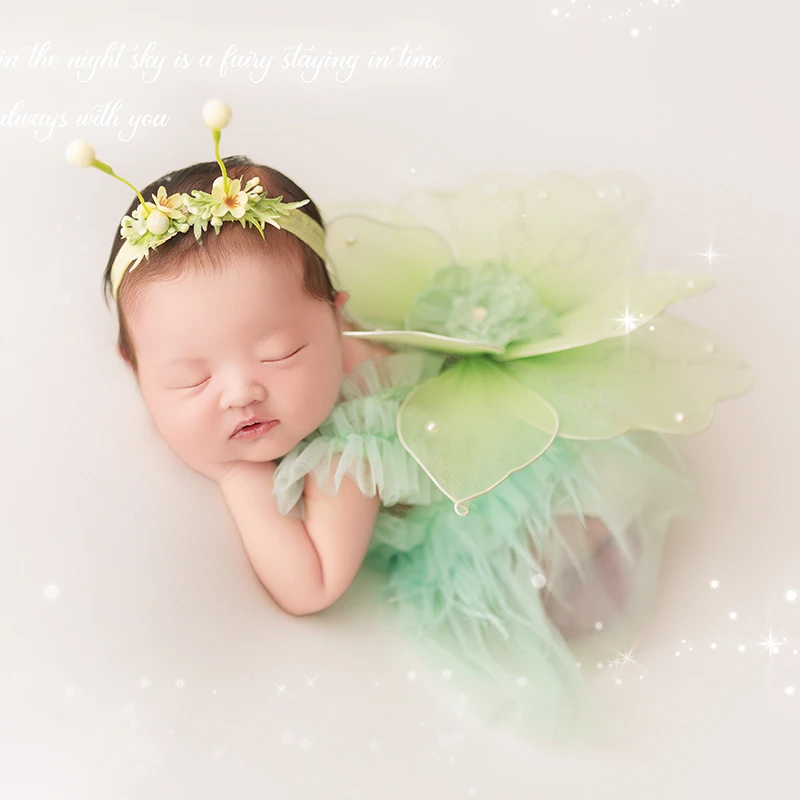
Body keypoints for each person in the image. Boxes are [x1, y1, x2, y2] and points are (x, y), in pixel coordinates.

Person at [67, 100, 755, 743]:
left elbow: (313, 585)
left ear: (337, 317)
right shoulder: (297, 343)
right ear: (132, 366)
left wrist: (232, 477)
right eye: (190, 378)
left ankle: (598, 538)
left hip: (508, 509)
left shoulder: (348, 449)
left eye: (282, 353)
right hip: (482, 418)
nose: (242, 391)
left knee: (569, 604)